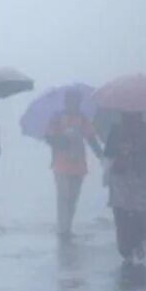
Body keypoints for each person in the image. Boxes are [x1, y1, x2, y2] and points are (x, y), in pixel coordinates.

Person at [44, 88, 103, 238]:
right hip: (61, 164)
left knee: (73, 198)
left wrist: (101, 156)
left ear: (79, 103)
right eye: (70, 101)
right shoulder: (57, 118)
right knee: (63, 197)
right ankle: (62, 228)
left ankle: (67, 227)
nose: (73, 104)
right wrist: (61, 140)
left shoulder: (82, 119)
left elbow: (91, 139)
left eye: (76, 102)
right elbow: (49, 137)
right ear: (66, 102)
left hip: (78, 165)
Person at [103, 111, 146, 264]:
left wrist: (134, 150)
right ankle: (128, 247)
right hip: (123, 176)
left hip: (135, 176)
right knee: (125, 212)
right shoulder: (118, 130)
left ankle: (132, 244)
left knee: (131, 213)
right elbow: (109, 153)